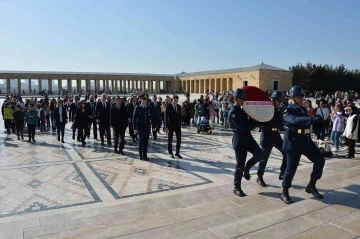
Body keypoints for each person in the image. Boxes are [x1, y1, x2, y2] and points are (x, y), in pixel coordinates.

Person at [281, 86, 325, 204]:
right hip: (293, 142)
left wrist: (317, 124)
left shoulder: (303, 109)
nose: (302, 99)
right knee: (291, 169)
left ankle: (311, 185)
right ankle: (285, 191)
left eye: (302, 97)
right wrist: (310, 120)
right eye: (299, 97)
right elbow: (293, 120)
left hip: (306, 140)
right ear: (293, 97)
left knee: (320, 159)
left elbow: (307, 122)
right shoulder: (287, 109)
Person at [228, 88, 263, 197]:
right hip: (240, 140)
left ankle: (247, 168)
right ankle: (236, 187)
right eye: (242, 99)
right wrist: (253, 123)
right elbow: (243, 127)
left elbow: (248, 123)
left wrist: (255, 120)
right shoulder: (233, 112)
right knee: (239, 165)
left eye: (244, 99)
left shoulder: (242, 110)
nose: (243, 101)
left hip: (248, 138)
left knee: (259, 154)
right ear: (236, 99)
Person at [255, 90, 287, 187]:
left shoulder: (279, 110)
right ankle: (259, 177)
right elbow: (261, 122)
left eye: (280, 101)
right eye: (278, 101)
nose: (280, 103)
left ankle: (282, 172)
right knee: (264, 158)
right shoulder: (266, 110)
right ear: (273, 100)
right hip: (267, 135)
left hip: (275, 135)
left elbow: (281, 123)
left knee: (286, 152)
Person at [132, 94, 156, 161]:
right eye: (143, 99)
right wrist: (135, 128)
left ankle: (145, 155)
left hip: (147, 127)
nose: (145, 101)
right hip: (140, 127)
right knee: (141, 141)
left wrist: (153, 126)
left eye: (146, 100)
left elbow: (152, 117)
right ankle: (141, 155)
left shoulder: (148, 108)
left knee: (146, 142)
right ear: (140, 100)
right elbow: (134, 118)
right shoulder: (138, 108)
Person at [165, 95, 182, 159]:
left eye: (177, 100)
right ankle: (170, 152)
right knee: (170, 139)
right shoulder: (168, 106)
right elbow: (166, 117)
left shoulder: (179, 106)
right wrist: (166, 127)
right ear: (172, 100)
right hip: (170, 126)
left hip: (177, 125)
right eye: (175, 100)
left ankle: (177, 153)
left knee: (179, 139)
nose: (176, 101)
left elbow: (180, 116)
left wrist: (180, 123)